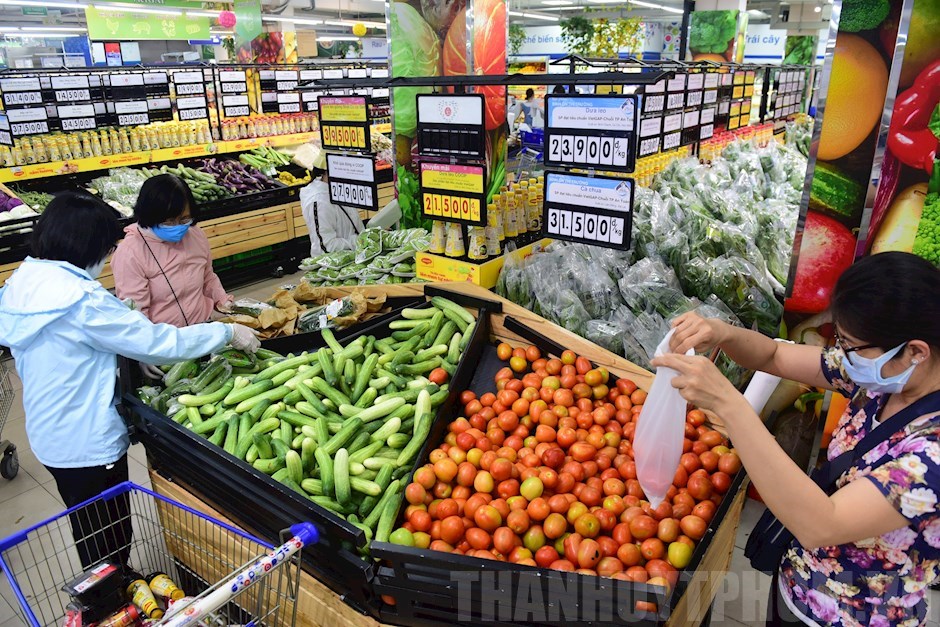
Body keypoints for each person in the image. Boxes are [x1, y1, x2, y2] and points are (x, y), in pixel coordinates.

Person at [651, 252, 940, 626]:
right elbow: (774, 355)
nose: (842, 354)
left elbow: (823, 524)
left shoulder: (931, 454)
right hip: (798, 582)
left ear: (915, 351)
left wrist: (728, 403)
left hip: (854, 616)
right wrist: (723, 332)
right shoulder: (881, 376)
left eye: (851, 345)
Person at [0, 192, 259, 573]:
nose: (107, 258)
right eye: (106, 249)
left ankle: (107, 580)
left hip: (50, 430)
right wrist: (226, 332)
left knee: (87, 520)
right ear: (87, 245)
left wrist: (125, 339)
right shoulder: (81, 300)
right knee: (109, 530)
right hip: (88, 438)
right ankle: (110, 588)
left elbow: (80, 345)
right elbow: (158, 341)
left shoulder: (24, 283)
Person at [112, 173, 233, 329]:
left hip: (201, 327)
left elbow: (207, 277)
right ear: (150, 215)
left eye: (184, 219)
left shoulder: (195, 235)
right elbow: (137, 314)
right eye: (169, 221)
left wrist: (223, 301)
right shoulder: (131, 252)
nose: (178, 226)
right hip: (163, 337)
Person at [299, 151, 364, 257]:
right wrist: (362, 241)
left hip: (354, 256)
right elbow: (327, 247)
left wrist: (371, 234)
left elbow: (352, 226)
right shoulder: (319, 201)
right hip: (336, 262)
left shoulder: (340, 188)